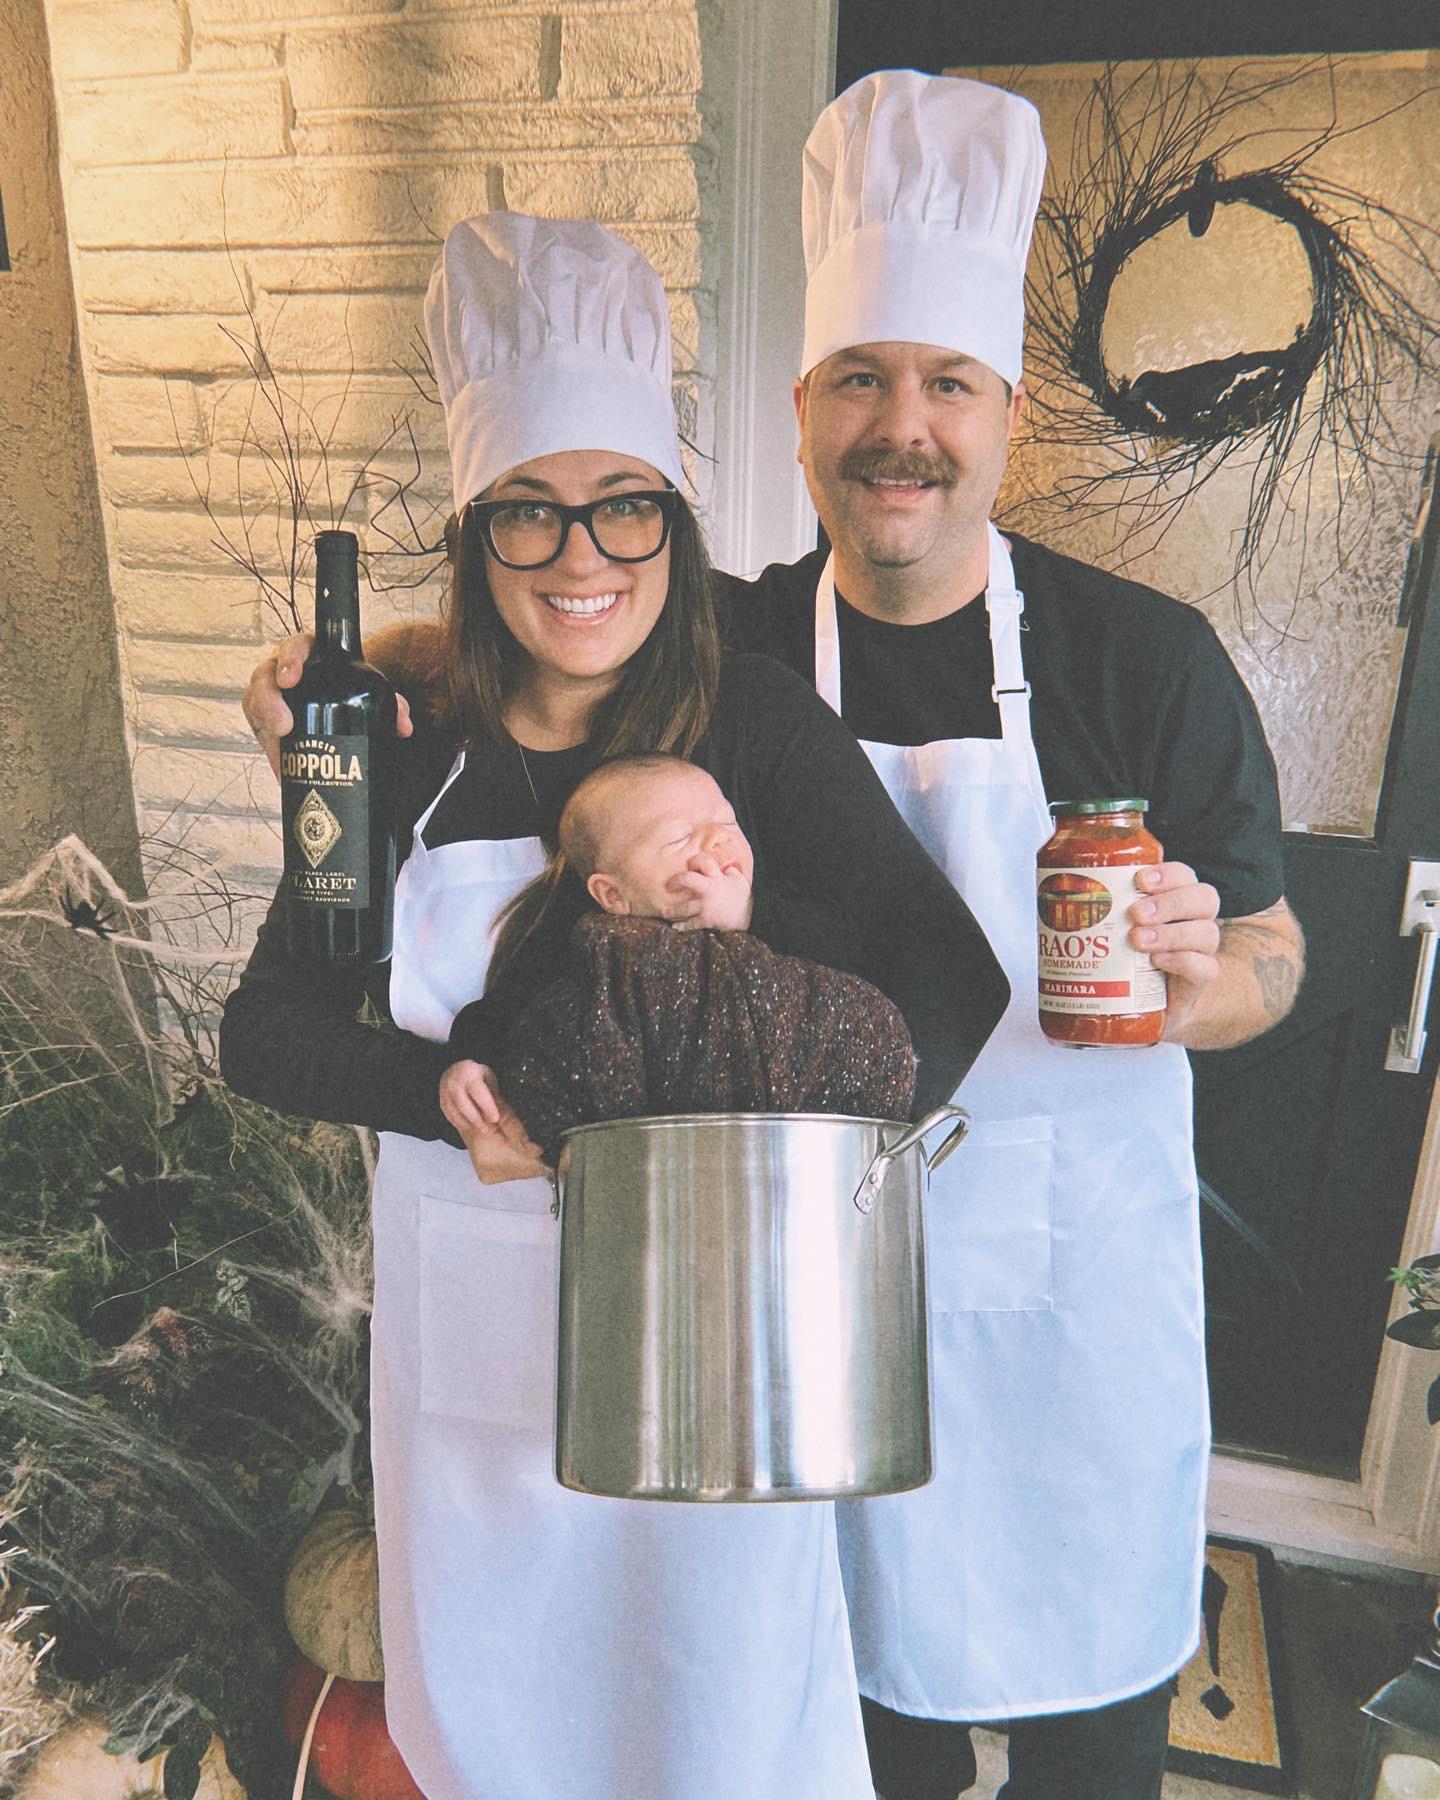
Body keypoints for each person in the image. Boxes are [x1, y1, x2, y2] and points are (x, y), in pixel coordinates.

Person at [240, 76, 1306, 1799]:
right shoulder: (715, 649)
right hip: (741, 1333)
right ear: (800, 413)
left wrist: (1212, 986)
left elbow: (1251, 954)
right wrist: (354, 702)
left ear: (1006, 415)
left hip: (1037, 1297)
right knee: (829, 1731)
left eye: (947, 383)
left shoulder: (1132, 663)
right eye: (863, 382)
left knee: (1083, 1741)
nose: (906, 426)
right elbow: (545, 657)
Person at [220, 209, 1008, 1800]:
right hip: (474, 1372)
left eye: (623, 510)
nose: (582, 560)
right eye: (531, 514)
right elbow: (270, 1037)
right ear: (475, 533)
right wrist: (468, 1112)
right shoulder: (402, 748)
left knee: (714, 1725)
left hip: (716, 1358)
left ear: (672, 519)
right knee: (504, 1733)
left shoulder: (753, 726)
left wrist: (728, 958)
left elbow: (951, 987)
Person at [442, 753, 921, 1165]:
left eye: (728, 824)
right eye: (678, 838)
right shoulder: (598, 952)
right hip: (649, 1165)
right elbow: (514, 1002)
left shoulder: (783, 927)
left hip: (811, 1150)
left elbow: (855, 962)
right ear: (613, 893)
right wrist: (471, 1059)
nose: (717, 842)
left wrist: (750, 915)